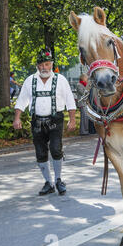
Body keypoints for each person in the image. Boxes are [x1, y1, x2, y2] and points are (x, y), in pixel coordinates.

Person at [13, 48, 76, 196]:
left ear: (51, 64)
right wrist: (17, 118)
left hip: (55, 119)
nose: (44, 68)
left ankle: (59, 180)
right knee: (40, 153)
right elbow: (22, 101)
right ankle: (48, 183)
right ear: (37, 66)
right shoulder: (30, 80)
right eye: (41, 65)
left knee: (55, 149)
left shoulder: (61, 80)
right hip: (37, 121)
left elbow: (70, 100)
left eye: (47, 64)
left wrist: (72, 119)